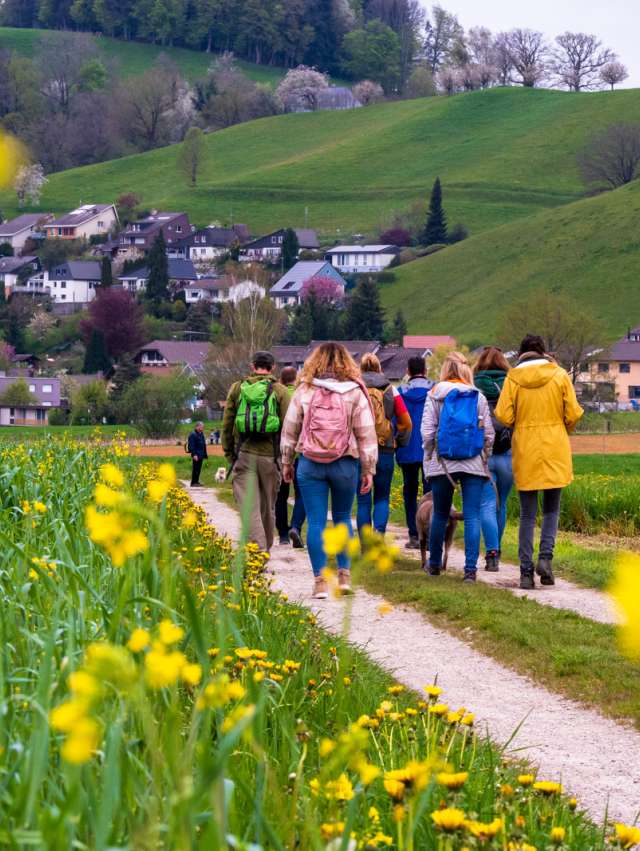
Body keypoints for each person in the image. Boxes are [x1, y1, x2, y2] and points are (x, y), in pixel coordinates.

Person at [280, 342, 377, 599]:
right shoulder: (355, 391)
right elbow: (366, 433)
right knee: (344, 518)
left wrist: (287, 462)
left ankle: (320, 581)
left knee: (316, 522)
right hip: (345, 463)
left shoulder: (304, 389)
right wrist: (368, 468)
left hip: (310, 463)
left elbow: (290, 429)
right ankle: (344, 576)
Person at [495, 335, 583, 590]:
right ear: (543, 352)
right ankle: (545, 558)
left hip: (526, 448)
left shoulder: (513, 379)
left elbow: (502, 415)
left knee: (527, 513)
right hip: (555, 446)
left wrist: (519, 425)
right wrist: (562, 427)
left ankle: (525, 572)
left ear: (522, 353)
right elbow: (574, 413)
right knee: (552, 508)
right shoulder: (559, 375)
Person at [421, 351, 494, 583]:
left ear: (444, 370)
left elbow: (427, 432)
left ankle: (434, 565)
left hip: (442, 462)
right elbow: (489, 434)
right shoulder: (478, 396)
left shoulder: (434, 394)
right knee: (472, 515)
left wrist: (430, 454)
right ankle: (470, 571)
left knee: (440, 513)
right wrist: (484, 456)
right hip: (473, 462)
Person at [222, 351, 290, 552]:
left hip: (244, 454)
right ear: (273, 367)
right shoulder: (280, 391)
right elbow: (288, 427)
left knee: (249, 507)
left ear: (252, 366)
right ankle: (263, 549)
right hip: (270, 458)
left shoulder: (237, 388)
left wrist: (230, 454)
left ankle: (257, 550)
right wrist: (286, 458)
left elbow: (227, 424)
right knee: (268, 508)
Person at [357, 353, 411, 535]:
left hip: (359, 449)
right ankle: (378, 536)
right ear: (379, 368)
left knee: (363, 498)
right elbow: (406, 422)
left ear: (361, 369)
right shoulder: (390, 389)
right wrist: (399, 441)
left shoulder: (355, 388)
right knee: (382, 497)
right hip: (385, 448)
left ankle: (365, 543)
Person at [473, 346, 514, 572]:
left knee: (486, 504)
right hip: (508, 454)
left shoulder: (473, 384)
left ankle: (492, 554)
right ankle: (497, 548)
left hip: (483, 455)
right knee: (502, 503)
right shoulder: (511, 384)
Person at [396, 356, 434, 548]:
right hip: (428, 448)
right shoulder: (433, 391)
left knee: (409, 491)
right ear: (425, 370)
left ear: (408, 371)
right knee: (429, 494)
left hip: (407, 447)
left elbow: (397, 421)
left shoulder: (400, 392)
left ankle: (413, 534)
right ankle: (427, 534)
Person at [275, 366, 299, 545]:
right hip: (301, 453)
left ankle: (283, 533)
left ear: (281, 379)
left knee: (281, 495)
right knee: (301, 494)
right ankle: (296, 527)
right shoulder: (302, 393)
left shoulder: (277, 395)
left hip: (281, 451)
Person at [188, 421, 208, 487]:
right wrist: (194, 454)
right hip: (196, 455)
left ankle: (196, 482)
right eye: (201, 426)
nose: (202, 428)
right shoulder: (193, 434)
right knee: (195, 469)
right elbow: (191, 446)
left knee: (198, 469)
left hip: (201, 454)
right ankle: (193, 483)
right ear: (197, 427)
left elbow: (203, 444)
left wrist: (204, 454)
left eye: (203, 427)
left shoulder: (201, 434)